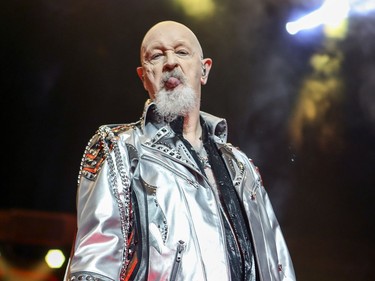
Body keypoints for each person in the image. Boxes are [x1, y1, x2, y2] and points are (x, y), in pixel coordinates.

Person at [64, 20, 296, 281]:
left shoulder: (241, 167)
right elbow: (93, 268)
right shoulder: (120, 148)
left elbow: (279, 267)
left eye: (182, 52)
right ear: (144, 77)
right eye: (157, 55)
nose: (170, 62)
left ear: (204, 70)